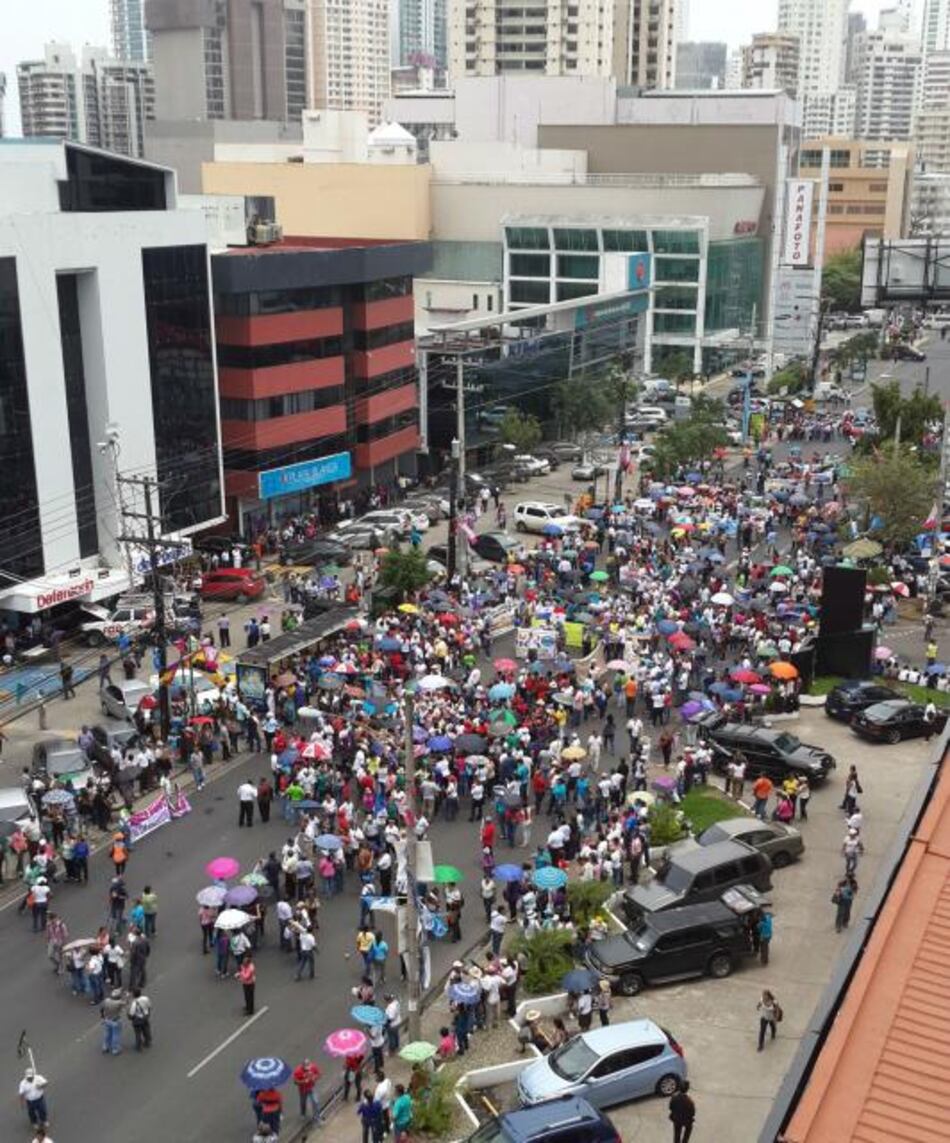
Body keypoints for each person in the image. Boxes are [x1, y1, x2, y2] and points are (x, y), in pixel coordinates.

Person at [101, 988, 125, 1055]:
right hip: (115, 1020)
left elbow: (102, 1009)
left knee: (107, 1034)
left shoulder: (106, 1000)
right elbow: (126, 1003)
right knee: (115, 1035)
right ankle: (115, 1049)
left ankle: (105, 1047)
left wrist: (103, 1017)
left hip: (107, 1019)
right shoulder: (119, 1003)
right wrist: (127, 996)